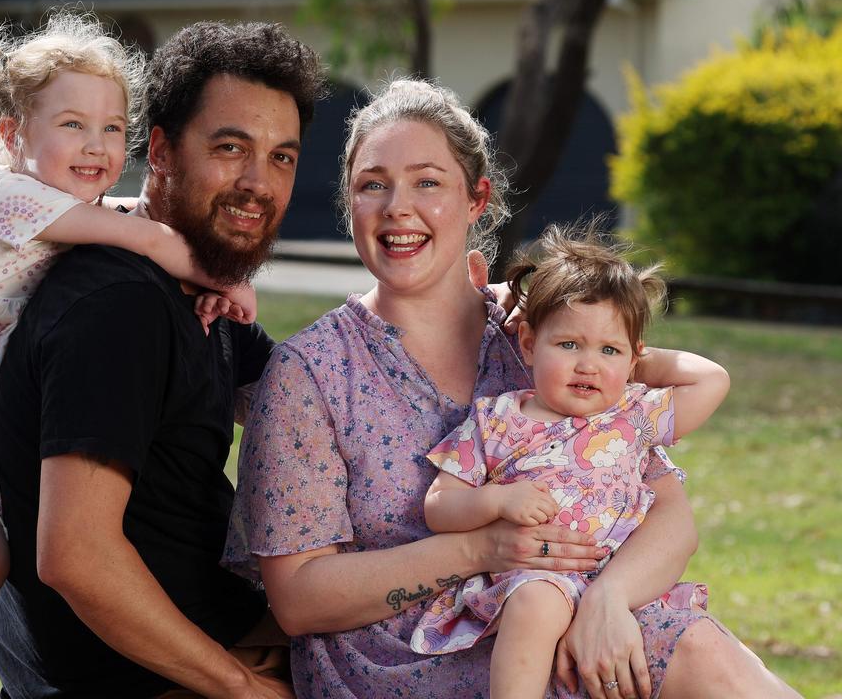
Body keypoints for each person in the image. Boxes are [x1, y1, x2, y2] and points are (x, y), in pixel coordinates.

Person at [225, 79, 801, 699]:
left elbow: (670, 516)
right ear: (351, 202)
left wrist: (607, 600)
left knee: (704, 651)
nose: (397, 206)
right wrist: (486, 548)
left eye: (427, 182)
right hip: (399, 661)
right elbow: (301, 602)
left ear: (478, 199)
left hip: (571, 616)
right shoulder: (312, 373)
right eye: (373, 184)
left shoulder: (545, 342)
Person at [0, 13, 252, 699]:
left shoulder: (70, 206)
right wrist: (226, 277)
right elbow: (156, 242)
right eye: (72, 125)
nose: (97, 145)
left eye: (110, 127)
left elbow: (132, 219)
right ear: (14, 135)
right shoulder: (1, 196)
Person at [0, 21, 324, 697]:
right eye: (231, 148)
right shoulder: (118, 307)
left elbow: (320, 418)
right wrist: (243, 688)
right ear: (161, 151)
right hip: (138, 678)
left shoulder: (199, 286)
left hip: (212, 627)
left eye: (282, 157)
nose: (258, 183)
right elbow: (76, 556)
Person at [412, 224, 729, 698]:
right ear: (528, 344)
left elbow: (712, 379)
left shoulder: (633, 414)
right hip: (536, 576)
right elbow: (439, 506)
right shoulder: (498, 419)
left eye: (607, 350)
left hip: (621, 583)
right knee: (538, 604)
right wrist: (498, 501)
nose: (588, 364)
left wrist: (631, 361)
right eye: (568, 345)